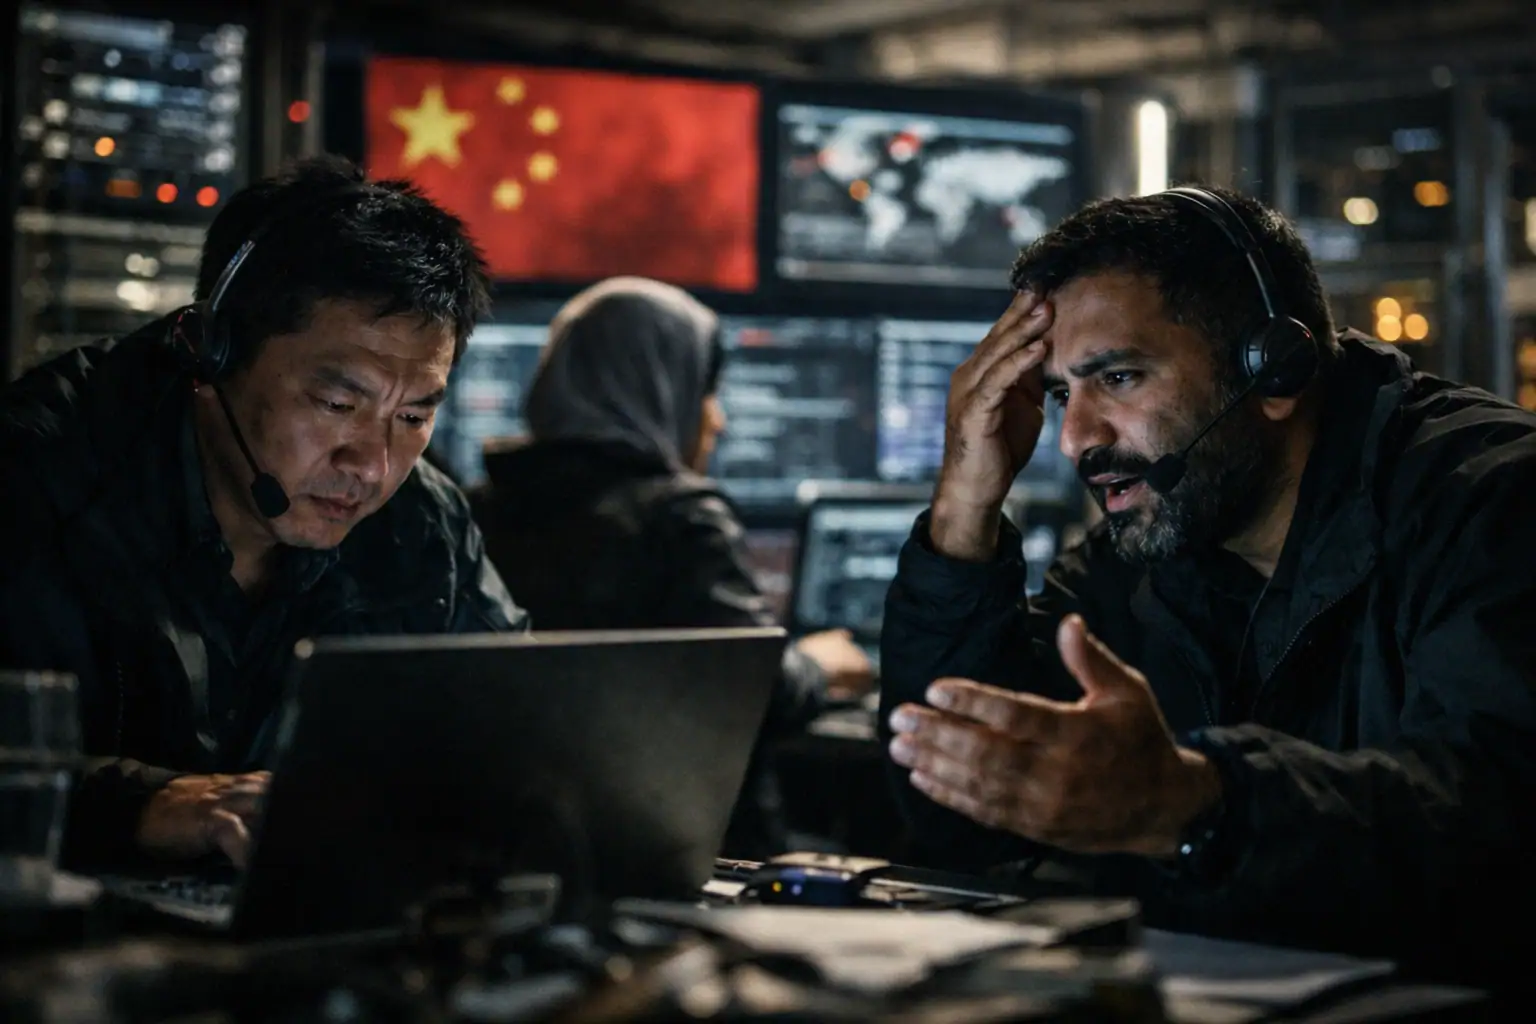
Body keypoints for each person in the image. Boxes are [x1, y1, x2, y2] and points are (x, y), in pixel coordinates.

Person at [879, 185, 1536, 987]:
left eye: (1117, 378)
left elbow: (1490, 831)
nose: (1076, 440)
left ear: (1272, 368)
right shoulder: (1154, 548)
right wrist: (963, 507)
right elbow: (955, 808)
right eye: (1059, 395)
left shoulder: (1495, 506)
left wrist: (1194, 805)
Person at [0, 157, 524, 873]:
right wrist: (142, 808)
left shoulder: (422, 525)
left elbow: (523, 725)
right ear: (212, 353)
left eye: (411, 415)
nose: (371, 464)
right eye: (338, 404)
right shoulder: (36, 477)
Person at [470, 276, 874, 857]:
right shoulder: (677, 518)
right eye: (707, 391)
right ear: (660, 384)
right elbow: (753, 684)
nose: (718, 420)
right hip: (690, 855)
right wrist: (817, 663)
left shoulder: (475, 509)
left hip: (526, 848)